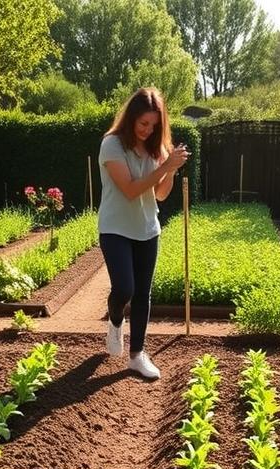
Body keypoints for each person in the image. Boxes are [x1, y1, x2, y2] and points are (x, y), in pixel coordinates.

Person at [97, 86, 190, 380]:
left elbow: (160, 195)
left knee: (142, 294)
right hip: (115, 228)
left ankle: (137, 355)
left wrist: (171, 169)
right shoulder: (112, 145)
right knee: (124, 288)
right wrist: (163, 168)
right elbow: (131, 190)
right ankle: (114, 321)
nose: (148, 130)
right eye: (143, 124)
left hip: (147, 229)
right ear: (131, 118)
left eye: (153, 125)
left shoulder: (156, 148)